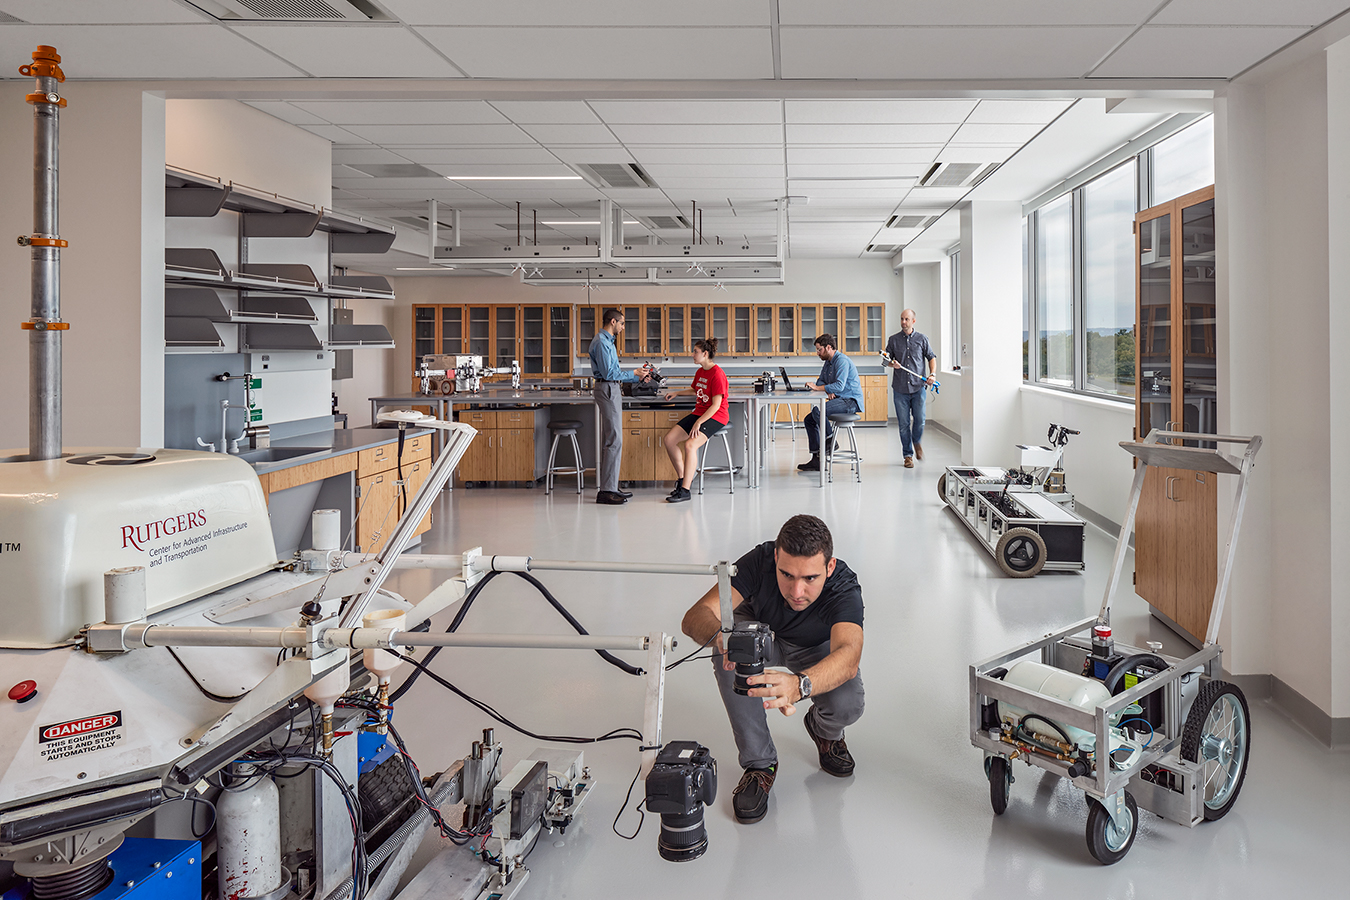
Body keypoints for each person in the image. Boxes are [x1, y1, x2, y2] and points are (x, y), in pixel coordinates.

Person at [680, 515, 864, 824]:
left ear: (829, 568)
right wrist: (725, 640)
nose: (796, 591)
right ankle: (759, 764)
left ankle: (825, 732)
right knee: (729, 660)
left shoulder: (843, 585)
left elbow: (848, 656)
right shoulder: (758, 560)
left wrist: (799, 686)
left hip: (815, 650)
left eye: (810, 578)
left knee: (847, 705)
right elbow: (696, 615)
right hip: (764, 638)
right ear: (776, 557)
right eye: (787, 575)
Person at [588, 309, 651, 505]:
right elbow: (609, 373)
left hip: (611, 389)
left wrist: (636, 373)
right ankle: (607, 491)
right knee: (614, 439)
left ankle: (611, 486)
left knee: (612, 439)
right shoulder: (601, 342)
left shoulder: (607, 342)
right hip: (608, 388)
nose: (623, 328)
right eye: (622, 324)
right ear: (613, 321)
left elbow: (612, 372)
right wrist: (634, 373)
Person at [661, 337, 729, 503]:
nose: (692, 354)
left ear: (705, 354)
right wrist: (677, 392)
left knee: (690, 445)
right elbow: (695, 389)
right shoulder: (700, 372)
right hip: (700, 413)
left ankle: (685, 490)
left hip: (716, 416)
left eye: (695, 352)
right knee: (669, 440)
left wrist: (698, 422)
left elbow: (715, 405)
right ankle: (683, 479)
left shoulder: (717, 374)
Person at [797, 333, 863, 472]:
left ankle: (830, 440)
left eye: (819, 349)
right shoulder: (828, 362)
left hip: (850, 401)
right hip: (840, 399)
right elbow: (821, 381)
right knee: (809, 419)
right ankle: (816, 460)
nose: (817, 353)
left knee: (818, 412)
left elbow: (838, 386)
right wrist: (827, 389)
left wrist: (824, 388)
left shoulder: (842, 361)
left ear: (828, 347)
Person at [884, 308, 937, 469]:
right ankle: (908, 455)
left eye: (906, 319)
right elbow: (885, 359)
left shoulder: (922, 339)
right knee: (904, 424)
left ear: (913, 321)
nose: (903, 322)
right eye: (901, 319)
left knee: (919, 421)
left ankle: (916, 442)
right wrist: (892, 363)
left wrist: (933, 374)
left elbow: (931, 357)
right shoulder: (893, 340)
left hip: (918, 388)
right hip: (900, 389)